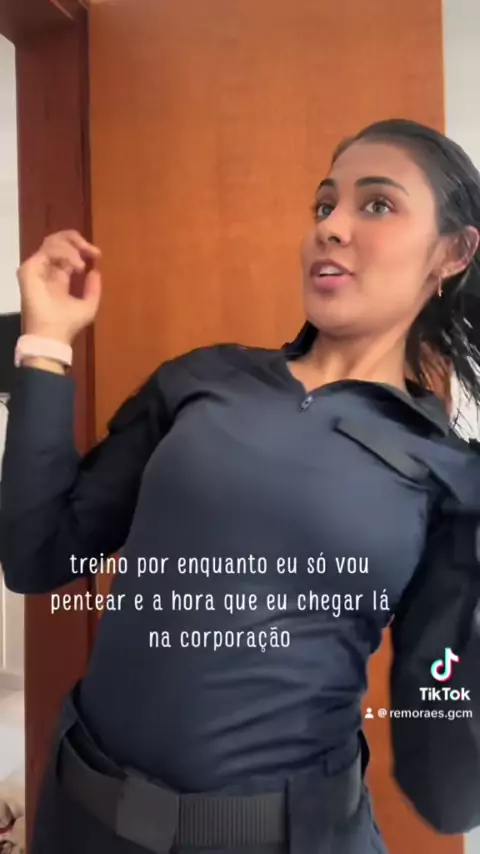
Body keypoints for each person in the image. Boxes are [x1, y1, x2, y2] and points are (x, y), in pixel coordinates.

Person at [2, 117, 480, 854]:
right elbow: (38, 553)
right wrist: (44, 343)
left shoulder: (451, 475)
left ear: (452, 253)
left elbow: (447, 786)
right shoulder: (204, 381)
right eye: (324, 205)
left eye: (377, 204)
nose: (331, 227)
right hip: (83, 820)